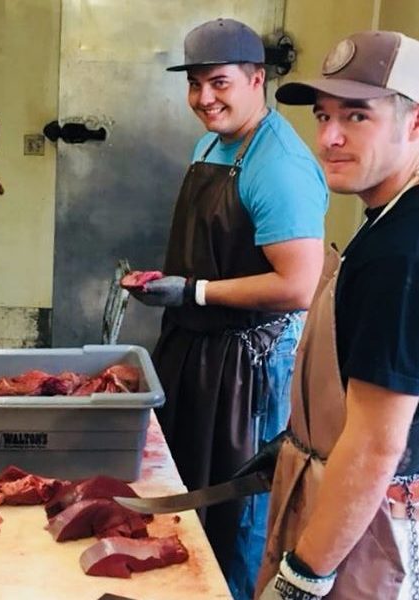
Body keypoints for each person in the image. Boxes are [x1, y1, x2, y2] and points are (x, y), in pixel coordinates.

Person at [130, 18, 328, 599]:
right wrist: (174, 288)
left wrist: (191, 291)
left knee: (237, 512)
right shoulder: (211, 145)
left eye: (219, 83)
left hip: (251, 368)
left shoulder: (280, 166)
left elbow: (298, 285)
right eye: (194, 84)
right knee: (187, 492)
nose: (203, 99)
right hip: (198, 348)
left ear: (256, 79)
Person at [256, 30, 419, 600]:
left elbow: (376, 444)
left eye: (357, 116)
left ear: (415, 124)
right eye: (324, 116)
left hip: (366, 531)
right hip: (342, 499)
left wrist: (304, 577)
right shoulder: (388, 220)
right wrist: (297, 441)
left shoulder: (400, 252)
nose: (329, 137)